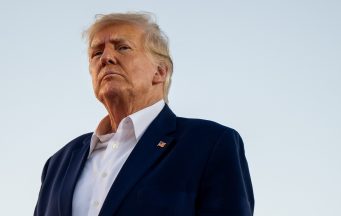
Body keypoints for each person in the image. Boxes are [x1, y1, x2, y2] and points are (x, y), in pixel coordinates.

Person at [34, 12, 254, 216]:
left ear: (160, 72)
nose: (106, 58)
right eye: (97, 52)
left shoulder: (210, 143)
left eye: (122, 47)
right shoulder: (58, 163)